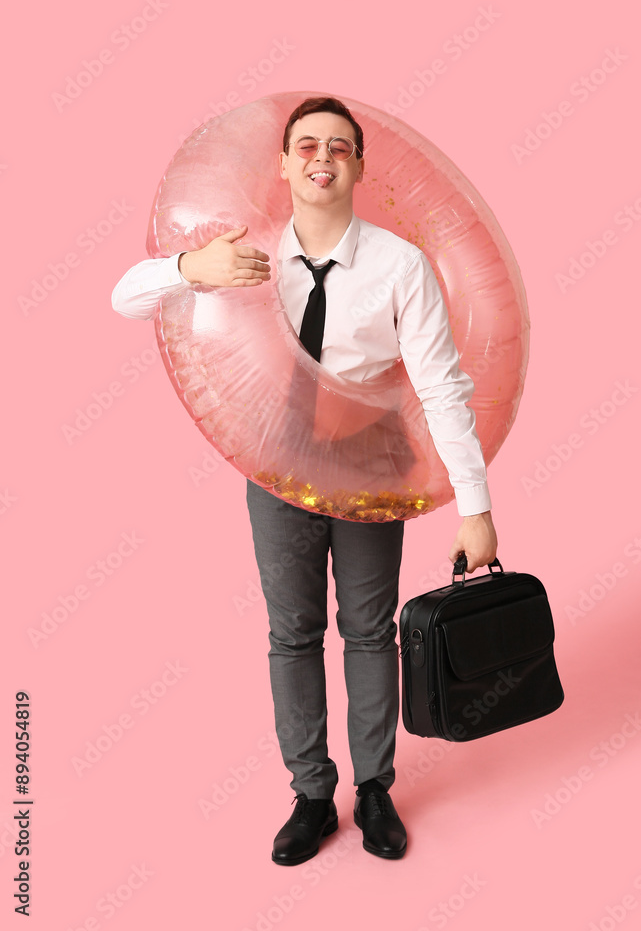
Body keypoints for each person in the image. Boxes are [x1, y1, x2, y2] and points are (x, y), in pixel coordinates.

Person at [111, 95, 497, 865]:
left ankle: (375, 789)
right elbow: (124, 297)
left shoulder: (399, 265)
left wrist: (475, 506)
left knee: (367, 631)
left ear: (358, 165)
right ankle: (311, 795)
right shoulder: (239, 254)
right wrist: (191, 267)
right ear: (285, 163)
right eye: (307, 145)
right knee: (291, 634)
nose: (322, 157)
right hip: (277, 465)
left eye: (339, 147)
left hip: (367, 464)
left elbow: (441, 387)